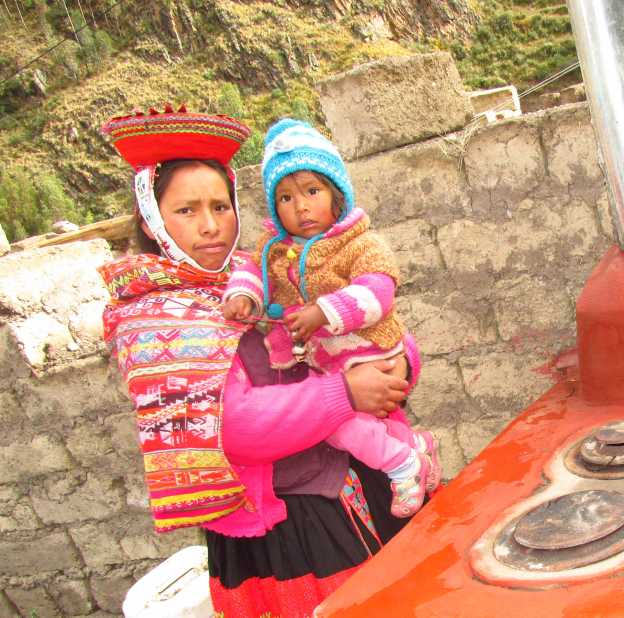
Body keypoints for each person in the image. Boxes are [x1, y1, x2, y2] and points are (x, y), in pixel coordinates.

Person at [98, 105, 421, 616]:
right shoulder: (157, 318)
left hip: (353, 481)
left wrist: (397, 361)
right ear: (152, 219)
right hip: (288, 530)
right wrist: (347, 392)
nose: (211, 227)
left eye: (221, 207)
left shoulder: (255, 278)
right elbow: (234, 427)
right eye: (187, 211)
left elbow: (348, 336)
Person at [220, 119, 440, 518]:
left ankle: (402, 465)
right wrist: (242, 295)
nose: (300, 206)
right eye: (285, 198)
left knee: (346, 427)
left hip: (367, 351)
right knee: (357, 424)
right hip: (329, 367)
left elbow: (378, 289)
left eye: (312, 191)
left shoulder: (358, 241)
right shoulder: (272, 249)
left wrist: (324, 310)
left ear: (337, 194)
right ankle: (415, 450)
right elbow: (251, 271)